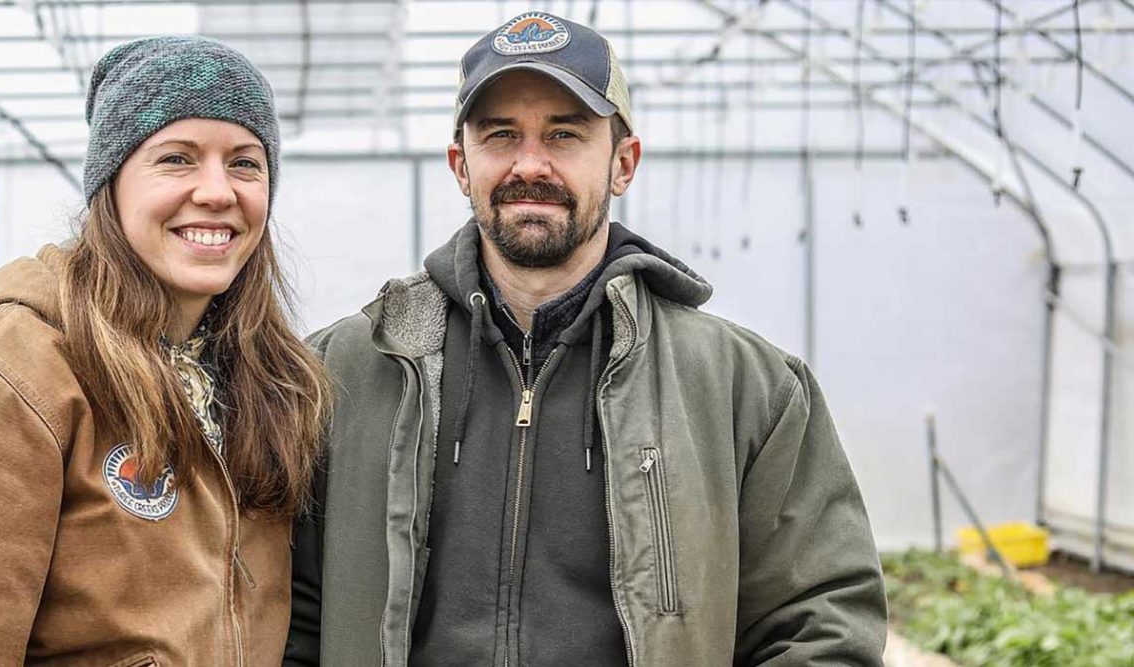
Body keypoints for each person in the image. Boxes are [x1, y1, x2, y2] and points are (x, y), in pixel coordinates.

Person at [285, 12, 886, 666]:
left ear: (623, 163)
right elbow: (283, 611)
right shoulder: (342, 371)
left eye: (565, 135)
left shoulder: (747, 388)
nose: (530, 163)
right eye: (501, 135)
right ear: (462, 164)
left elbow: (821, 618)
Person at [0, 36, 329, 666]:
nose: (217, 191)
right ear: (109, 186)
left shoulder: (264, 384)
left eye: (245, 163)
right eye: (176, 159)